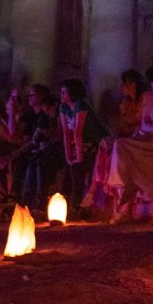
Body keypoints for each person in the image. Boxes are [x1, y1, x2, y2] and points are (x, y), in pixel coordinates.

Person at [108, 65, 153, 222]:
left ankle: (130, 197)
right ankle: (126, 191)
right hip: (148, 138)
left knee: (123, 146)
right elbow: (146, 124)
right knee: (120, 145)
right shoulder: (148, 97)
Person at [81, 70, 146, 211]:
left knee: (113, 148)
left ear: (132, 84)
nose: (121, 87)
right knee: (105, 146)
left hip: (139, 139)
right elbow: (122, 125)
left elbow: (143, 124)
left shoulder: (144, 101)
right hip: (128, 137)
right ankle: (98, 191)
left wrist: (124, 126)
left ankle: (102, 194)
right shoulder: (126, 103)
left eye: (124, 84)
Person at [58, 78, 107, 219]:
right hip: (79, 144)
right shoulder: (64, 107)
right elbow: (66, 133)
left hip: (96, 142)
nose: (61, 95)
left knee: (77, 168)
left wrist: (78, 158)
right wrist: (69, 157)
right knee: (70, 166)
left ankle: (75, 206)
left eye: (64, 92)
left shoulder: (81, 105)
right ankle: (67, 204)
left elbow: (78, 132)